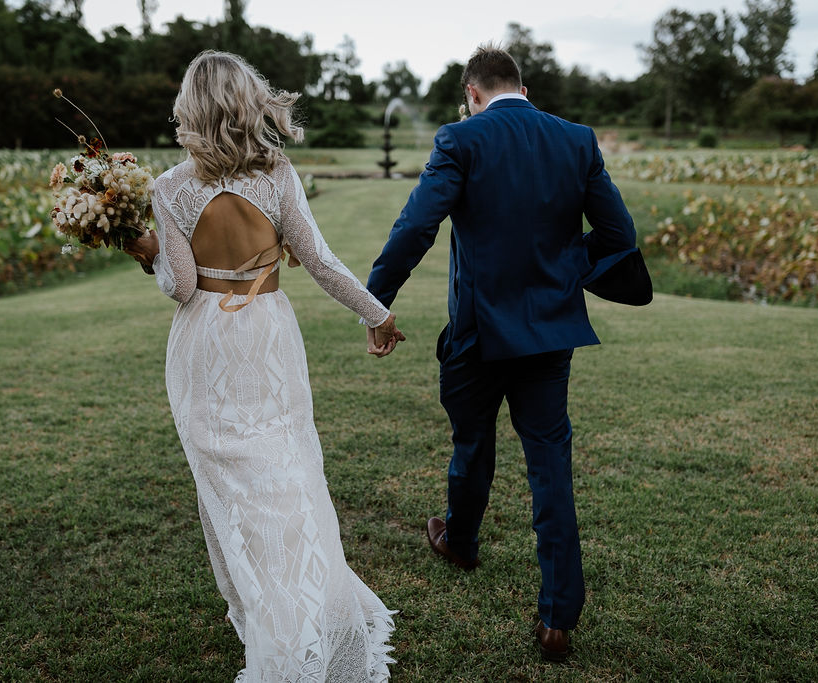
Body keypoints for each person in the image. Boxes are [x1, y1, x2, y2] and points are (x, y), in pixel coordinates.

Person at [123, 50, 403, 681]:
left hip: (205, 346)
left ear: (190, 110)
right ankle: (305, 605)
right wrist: (375, 314)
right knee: (289, 471)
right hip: (268, 336)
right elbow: (322, 262)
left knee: (227, 482)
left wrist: (146, 251)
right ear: (250, 104)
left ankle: (264, 610)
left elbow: (182, 287)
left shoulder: (169, 188)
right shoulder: (277, 173)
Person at [364, 44, 646, 662]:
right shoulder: (576, 139)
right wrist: (564, 268)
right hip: (549, 333)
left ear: (472, 93)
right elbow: (619, 236)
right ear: (522, 86)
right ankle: (557, 619)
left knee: (473, 443)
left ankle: (461, 542)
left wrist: (375, 299)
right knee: (550, 463)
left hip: (477, 331)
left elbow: (417, 226)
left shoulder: (460, 140)